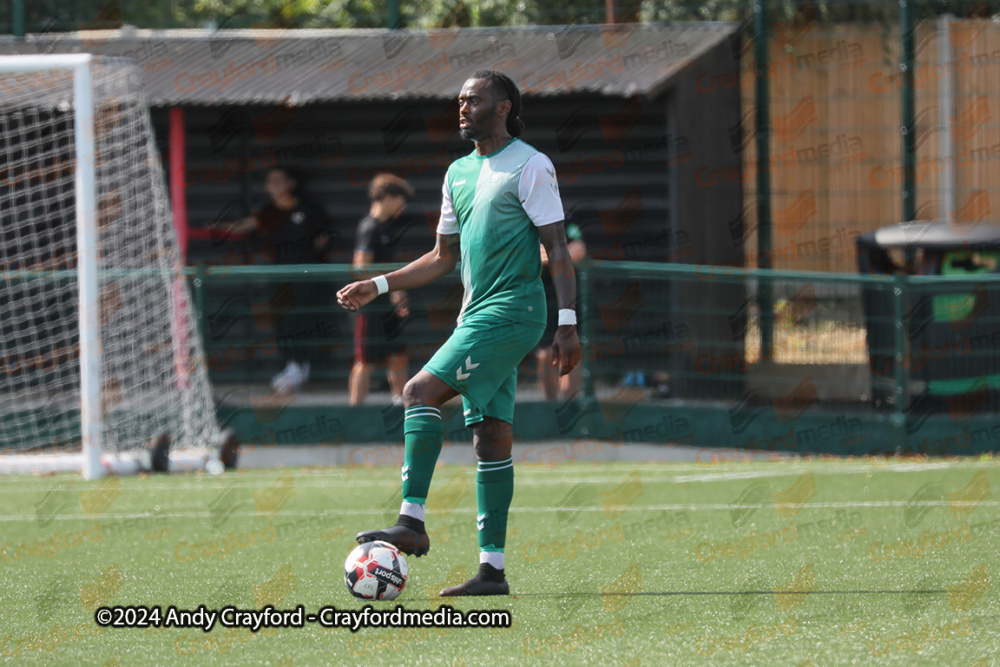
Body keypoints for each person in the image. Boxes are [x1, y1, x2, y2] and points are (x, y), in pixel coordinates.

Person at [337, 70, 580, 597]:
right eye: (460, 100)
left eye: (475, 99)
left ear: (505, 106)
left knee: (418, 392)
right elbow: (441, 257)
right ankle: (492, 572)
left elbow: (557, 249)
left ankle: (411, 521)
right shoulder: (457, 173)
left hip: (514, 312)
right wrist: (378, 285)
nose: (463, 108)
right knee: (491, 437)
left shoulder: (531, 165)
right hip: (475, 316)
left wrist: (567, 323)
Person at [225, 166, 331, 392]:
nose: (275, 186)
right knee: (282, 322)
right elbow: (244, 226)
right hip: (279, 279)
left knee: (304, 321)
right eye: (270, 181)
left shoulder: (308, 210)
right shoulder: (267, 213)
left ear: (290, 183)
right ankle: (292, 366)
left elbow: (322, 240)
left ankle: (303, 366)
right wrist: (213, 229)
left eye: (279, 180)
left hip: (307, 279)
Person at [350, 174, 414, 406]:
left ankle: (400, 404)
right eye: (400, 199)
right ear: (387, 197)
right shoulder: (370, 226)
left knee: (397, 355)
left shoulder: (386, 228)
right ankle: (355, 411)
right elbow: (360, 268)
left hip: (386, 305)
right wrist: (388, 287)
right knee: (363, 360)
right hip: (369, 308)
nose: (403, 206)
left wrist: (395, 290)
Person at [535, 222, 586, 400]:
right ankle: (550, 408)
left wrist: (548, 256)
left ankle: (571, 407)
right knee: (544, 355)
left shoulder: (567, 223)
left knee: (569, 352)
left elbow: (578, 251)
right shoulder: (524, 222)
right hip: (541, 303)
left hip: (569, 301)